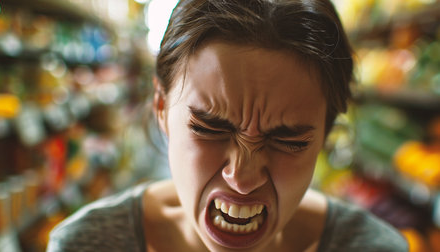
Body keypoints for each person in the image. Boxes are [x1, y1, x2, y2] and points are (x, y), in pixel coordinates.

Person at [47, 0, 408, 251]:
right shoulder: (84, 244)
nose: (243, 176)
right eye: (209, 128)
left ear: (327, 134)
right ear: (160, 107)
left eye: (289, 140)